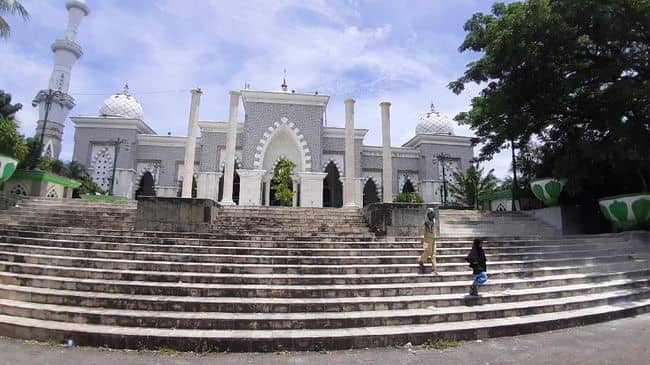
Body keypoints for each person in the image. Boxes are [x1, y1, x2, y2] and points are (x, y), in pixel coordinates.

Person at [418, 208, 438, 275]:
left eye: (432, 213)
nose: (432, 215)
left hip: (433, 239)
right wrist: (422, 239)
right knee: (427, 252)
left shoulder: (434, 221)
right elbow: (422, 232)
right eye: (430, 213)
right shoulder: (425, 222)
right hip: (426, 240)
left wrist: (435, 237)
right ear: (428, 214)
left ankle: (434, 269)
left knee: (433, 254)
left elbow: (434, 230)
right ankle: (421, 260)